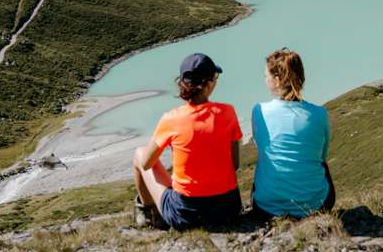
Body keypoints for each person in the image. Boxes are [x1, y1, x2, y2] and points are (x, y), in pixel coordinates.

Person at [133, 52, 243, 230]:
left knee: (139, 154)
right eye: (215, 78)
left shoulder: (171, 119)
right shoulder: (228, 112)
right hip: (228, 210)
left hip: (186, 215)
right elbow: (235, 164)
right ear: (207, 85)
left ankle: (149, 215)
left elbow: (146, 164)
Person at [251, 48, 335, 218]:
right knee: (321, 163)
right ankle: (309, 197)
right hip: (316, 206)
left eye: (266, 75)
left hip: (266, 207)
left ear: (276, 80)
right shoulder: (320, 113)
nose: (264, 79)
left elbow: (260, 147)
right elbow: (322, 156)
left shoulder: (259, 111)